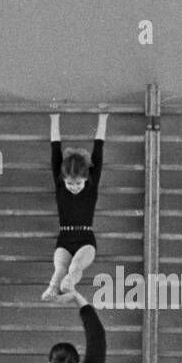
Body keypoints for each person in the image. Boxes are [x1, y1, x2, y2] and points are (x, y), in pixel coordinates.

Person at [43, 112, 108, 300]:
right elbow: (55, 149)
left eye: (78, 183)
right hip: (64, 239)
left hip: (86, 241)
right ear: (63, 179)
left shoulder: (91, 186)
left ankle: (69, 284)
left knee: (74, 267)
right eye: (69, 183)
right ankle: (53, 288)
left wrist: (103, 118)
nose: (74, 187)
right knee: (60, 269)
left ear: (86, 179)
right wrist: (54, 118)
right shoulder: (59, 184)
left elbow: (98, 148)